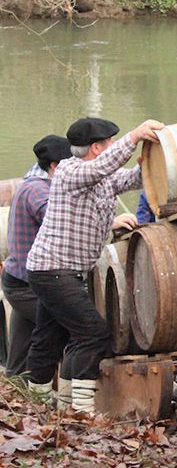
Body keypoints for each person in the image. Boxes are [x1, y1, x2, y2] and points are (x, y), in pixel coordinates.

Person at [24, 117, 164, 414]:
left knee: (50, 338)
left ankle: (41, 407)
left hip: (64, 272)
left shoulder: (99, 176)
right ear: (96, 148)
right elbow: (102, 168)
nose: (113, 146)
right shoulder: (70, 172)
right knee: (93, 333)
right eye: (110, 143)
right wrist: (134, 136)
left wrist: (150, 162)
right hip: (52, 270)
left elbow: (129, 179)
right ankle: (82, 410)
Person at [1, 136, 73, 379]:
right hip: (28, 287)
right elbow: (58, 222)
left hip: (18, 280)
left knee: (20, 351)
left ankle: (14, 391)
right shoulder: (37, 190)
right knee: (70, 329)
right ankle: (68, 394)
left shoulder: (34, 183)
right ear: (54, 166)